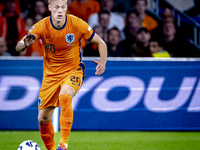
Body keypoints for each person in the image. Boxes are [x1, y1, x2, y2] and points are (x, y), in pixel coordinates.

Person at [16, 0, 107, 150]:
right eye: (56, 7)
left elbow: (101, 43)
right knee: (43, 119)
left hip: (73, 70)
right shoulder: (42, 26)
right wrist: (24, 44)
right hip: (50, 76)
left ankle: (63, 145)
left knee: (65, 95)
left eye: (63, 7)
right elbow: (18, 47)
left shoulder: (77, 24)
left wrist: (103, 61)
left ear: (66, 8)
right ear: (50, 7)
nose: (60, 10)